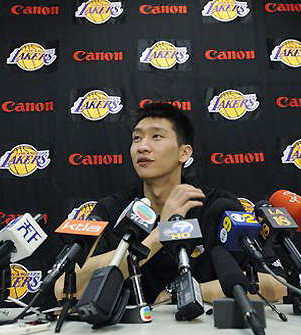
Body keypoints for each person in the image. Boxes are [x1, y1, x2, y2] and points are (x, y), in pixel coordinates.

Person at [55, 103, 287, 304]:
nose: (142, 146)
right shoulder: (111, 208)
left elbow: (275, 285)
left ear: (184, 153)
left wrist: (182, 293)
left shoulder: (218, 205)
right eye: (137, 138)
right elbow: (64, 289)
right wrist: (161, 232)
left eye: (156, 136)